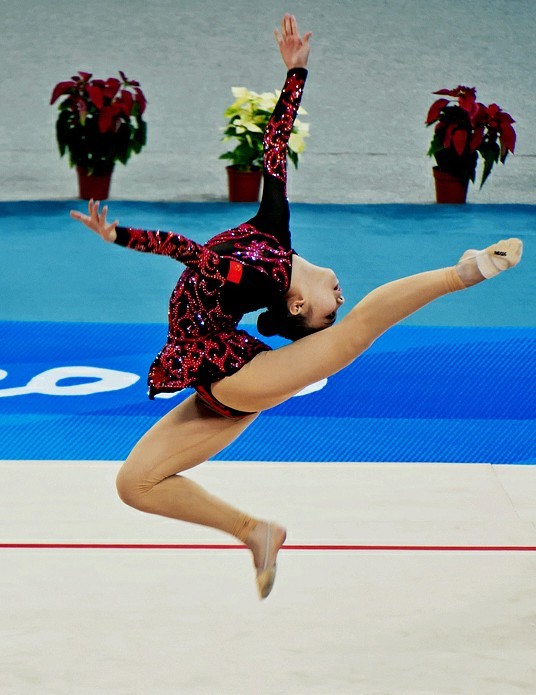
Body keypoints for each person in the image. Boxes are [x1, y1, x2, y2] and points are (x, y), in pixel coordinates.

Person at [71, 14, 523, 599]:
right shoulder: (274, 231)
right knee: (135, 484)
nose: (337, 300)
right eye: (329, 308)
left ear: (295, 304)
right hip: (213, 385)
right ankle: (255, 532)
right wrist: (296, 71)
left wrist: (121, 237)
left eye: (323, 313)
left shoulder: (257, 276)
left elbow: (190, 254)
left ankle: (463, 272)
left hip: (236, 377)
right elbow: (273, 145)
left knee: (357, 335)